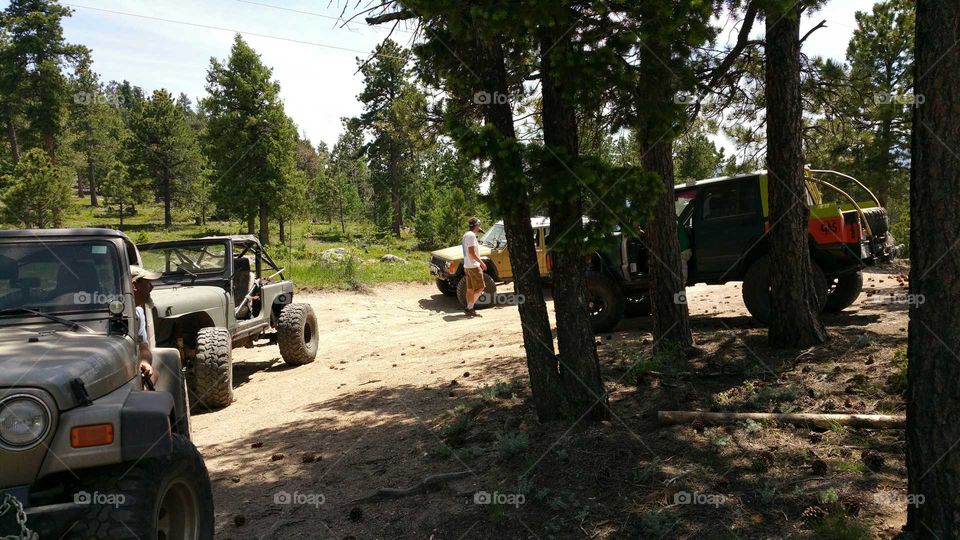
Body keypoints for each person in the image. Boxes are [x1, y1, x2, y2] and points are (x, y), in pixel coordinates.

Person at [131, 265, 161, 385]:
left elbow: (143, 347)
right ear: (134, 286)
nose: (152, 287)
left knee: (154, 373)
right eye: (147, 282)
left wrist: (145, 362)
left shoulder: (138, 313)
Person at [461, 217, 487, 317]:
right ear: (476, 225)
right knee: (481, 287)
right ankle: (469, 307)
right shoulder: (471, 236)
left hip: (467, 265)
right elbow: (471, 253)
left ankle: (470, 309)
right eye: (479, 225)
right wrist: (481, 263)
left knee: (470, 289)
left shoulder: (466, 235)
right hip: (473, 266)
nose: (480, 227)